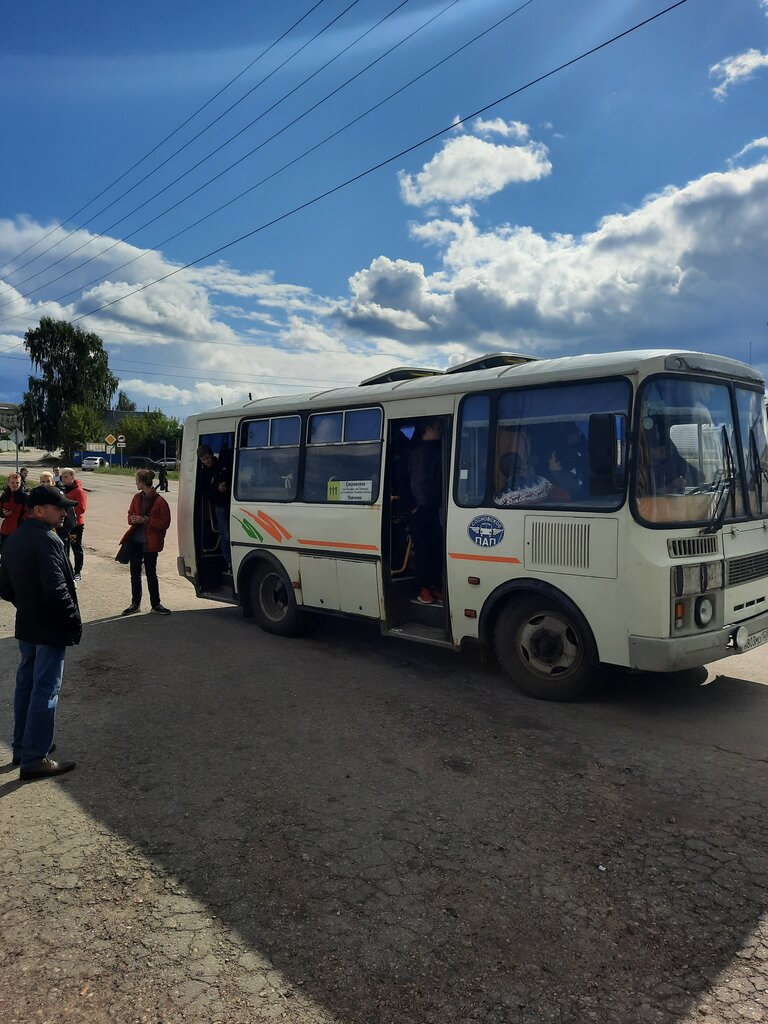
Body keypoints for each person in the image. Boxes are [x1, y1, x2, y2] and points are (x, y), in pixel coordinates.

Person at [0, 485, 81, 779]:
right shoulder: (48, 540)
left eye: (64, 507)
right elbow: (57, 589)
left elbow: (5, 587)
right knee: (45, 690)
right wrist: (71, 619)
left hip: (28, 625)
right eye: (58, 507)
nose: (63, 512)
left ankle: (24, 747)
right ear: (37, 510)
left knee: (27, 687)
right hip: (48, 627)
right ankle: (34, 758)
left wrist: (28, 604)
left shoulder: (14, 538)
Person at [120, 469, 172, 616]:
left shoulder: (160, 501)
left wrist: (147, 520)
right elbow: (130, 514)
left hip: (151, 543)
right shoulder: (136, 498)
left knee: (151, 573)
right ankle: (135, 604)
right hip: (136, 541)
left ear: (142, 483)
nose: (135, 483)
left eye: (137, 481)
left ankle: (156, 604)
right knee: (134, 573)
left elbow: (165, 523)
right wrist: (133, 519)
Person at [409, 419, 443, 605]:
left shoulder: (441, 449)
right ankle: (422, 589)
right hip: (420, 509)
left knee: (436, 548)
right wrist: (412, 506)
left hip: (436, 508)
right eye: (438, 427)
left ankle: (433, 585)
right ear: (428, 428)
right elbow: (402, 481)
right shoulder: (414, 453)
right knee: (422, 550)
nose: (441, 430)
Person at [197, 444, 231, 571]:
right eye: (204, 459)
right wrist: (217, 489)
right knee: (225, 534)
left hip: (231, 501)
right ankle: (228, 562)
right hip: (220, 506)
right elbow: (206, 493)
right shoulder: (203, 474)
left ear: (212, 455)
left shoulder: (221, 464)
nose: (207, 461)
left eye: (208, 457)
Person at [59, 468, 87, 582]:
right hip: (64, 524)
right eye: (62, 476)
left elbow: (81, 509)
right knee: (64, 548)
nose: (63, 478)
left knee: (76, 547)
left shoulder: (78, 491)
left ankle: (77, 572)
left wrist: (68, 510)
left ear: (72, 477)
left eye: (65, 476)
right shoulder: (63, 489)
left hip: (75, 525)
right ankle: (67, 571)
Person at [1, 472, 27, 553]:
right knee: (4, 552)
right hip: (5, 529)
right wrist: (2, 513)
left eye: (17, 482)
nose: (15, 484)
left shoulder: (24, 496)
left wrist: (22, 523)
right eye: (12, 482)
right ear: (8, 483)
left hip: (19, 530)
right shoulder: (5, 495)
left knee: (17, 553)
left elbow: (28, 512)